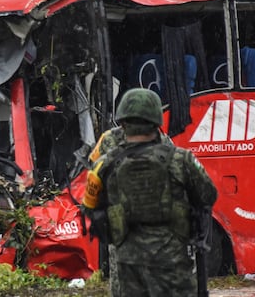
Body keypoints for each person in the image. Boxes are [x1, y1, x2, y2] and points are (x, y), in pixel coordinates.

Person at [83, 88, 218, 296]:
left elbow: (90, 205)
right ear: (157, 121)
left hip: (128, 264)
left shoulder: (105, 163)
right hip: (172, 261)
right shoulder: (179, 159)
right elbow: (208, 195)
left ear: (123, 121)